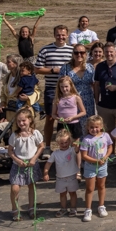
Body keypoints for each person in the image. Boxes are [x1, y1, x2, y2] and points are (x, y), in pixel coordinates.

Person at [35, 25, 74, 156]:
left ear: (67, 35)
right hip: (52, 88)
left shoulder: (72, 50)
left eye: (63, 34)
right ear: (54, 35)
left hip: (68, 90)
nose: (61, 37)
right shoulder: (46, 50)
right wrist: (52, 70)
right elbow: (37, 69)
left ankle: (65, 146)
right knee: (50, 118)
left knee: (66, 118)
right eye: (58, 34)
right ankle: (47, 146)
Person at [7, 107, 45, 221]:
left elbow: (41, 146)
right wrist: (17, 160)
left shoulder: (35, 133)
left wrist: (34, 158)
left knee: (31, 186)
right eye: (19, 121)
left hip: (31, 164)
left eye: (24, 120)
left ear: (30, 120)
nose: (21, 123)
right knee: (15, 188)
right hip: (18, 165)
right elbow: (10, 150)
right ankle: (15, 209)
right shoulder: (15, 135)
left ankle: (31, 208)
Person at [79, 115, 113, 222]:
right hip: (90, 167)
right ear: (88, 128)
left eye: (96, 127)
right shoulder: (86, 140)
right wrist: (96, 161)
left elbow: (110, 147)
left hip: (103, 166)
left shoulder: (106, 136)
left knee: (101, 186)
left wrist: (106, 157)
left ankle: (101, 206)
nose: (94, 129)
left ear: (101, 126)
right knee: (90, 188)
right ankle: (88, 209)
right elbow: (84, 155)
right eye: (92, 127)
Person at [42, 130, 80, 218]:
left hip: (72, 177)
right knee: (62, 194)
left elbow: (77, 150)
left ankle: (73, 208)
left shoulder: (72, 150)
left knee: (72, 193)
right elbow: (48, 163)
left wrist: (76, 145)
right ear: (58, 143)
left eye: (66, 142)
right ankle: (63, 209)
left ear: (70, 141)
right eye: (62, 143)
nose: (64, 144)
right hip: (60, 178)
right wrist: (45, 173)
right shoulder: (55, 153)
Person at [53, 76, 87, 140]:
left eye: (66, 86)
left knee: (75, 144)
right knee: (64, 143)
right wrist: (59, 119)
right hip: (62, 125)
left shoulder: (76, 98)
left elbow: (83, 112)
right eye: (62, 87)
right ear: (59, 87)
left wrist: (73, 118)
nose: (64, 89)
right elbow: (53, 114)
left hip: (74, 124)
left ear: (71, 86)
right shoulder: (57, 99)